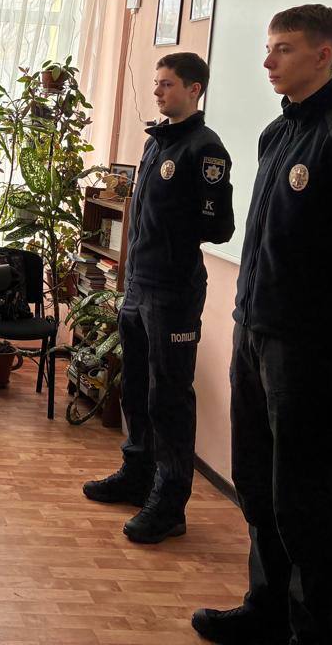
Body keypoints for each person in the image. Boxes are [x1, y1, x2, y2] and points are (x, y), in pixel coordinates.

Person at [192, 4, 332, 645]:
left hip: (308, 350)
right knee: (256, 483)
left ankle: (313, 633)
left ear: (323, 55)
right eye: (268, 47)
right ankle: (267, 609)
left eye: (282, 49)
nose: (267, 61)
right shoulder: (276, 133)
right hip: (254, 330)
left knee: (303, 497)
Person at [83, 52, 234, 543]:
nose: (157, 91)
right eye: (156, 83)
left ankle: (169, 505)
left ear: (194, 89)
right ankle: (137, 476)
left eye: (167, 84)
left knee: (168, 396)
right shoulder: (157, 142)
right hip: (139, 284)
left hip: (173, 291)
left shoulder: (205, 149)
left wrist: (178, 227)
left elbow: (219, 226)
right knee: (135, 386)